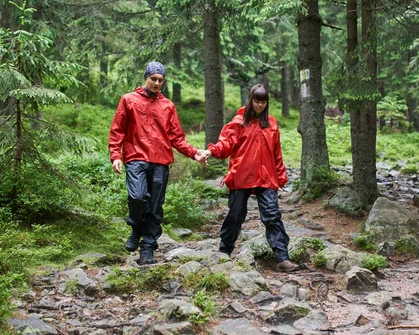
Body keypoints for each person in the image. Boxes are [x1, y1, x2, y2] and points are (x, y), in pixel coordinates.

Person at [109, 61, 208, 265]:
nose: (156, 83)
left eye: (160, 80)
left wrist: (194, 153)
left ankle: (147, 248)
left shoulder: (167, 106)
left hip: (160, 161)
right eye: (153, 79)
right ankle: (136, 226)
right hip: (135, 157)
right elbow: (117, 129)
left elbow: (176, 137)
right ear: (146, 78)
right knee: (137, 197)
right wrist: (115, 155)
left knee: (155, 207)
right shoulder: (128, 100)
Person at [203, 84, 298, 272]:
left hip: (267, 176)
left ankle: (282, 257)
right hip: (241, 176)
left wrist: (280, 174)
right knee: (235, 215)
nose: (260, 105)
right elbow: (225, 145)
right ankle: (224, 252)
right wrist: (210, 151)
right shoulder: (238, 122)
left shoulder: (271, 124)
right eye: (257, 101)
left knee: (272, 215)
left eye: (263, 102)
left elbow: (276, 152)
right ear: (250, 100)